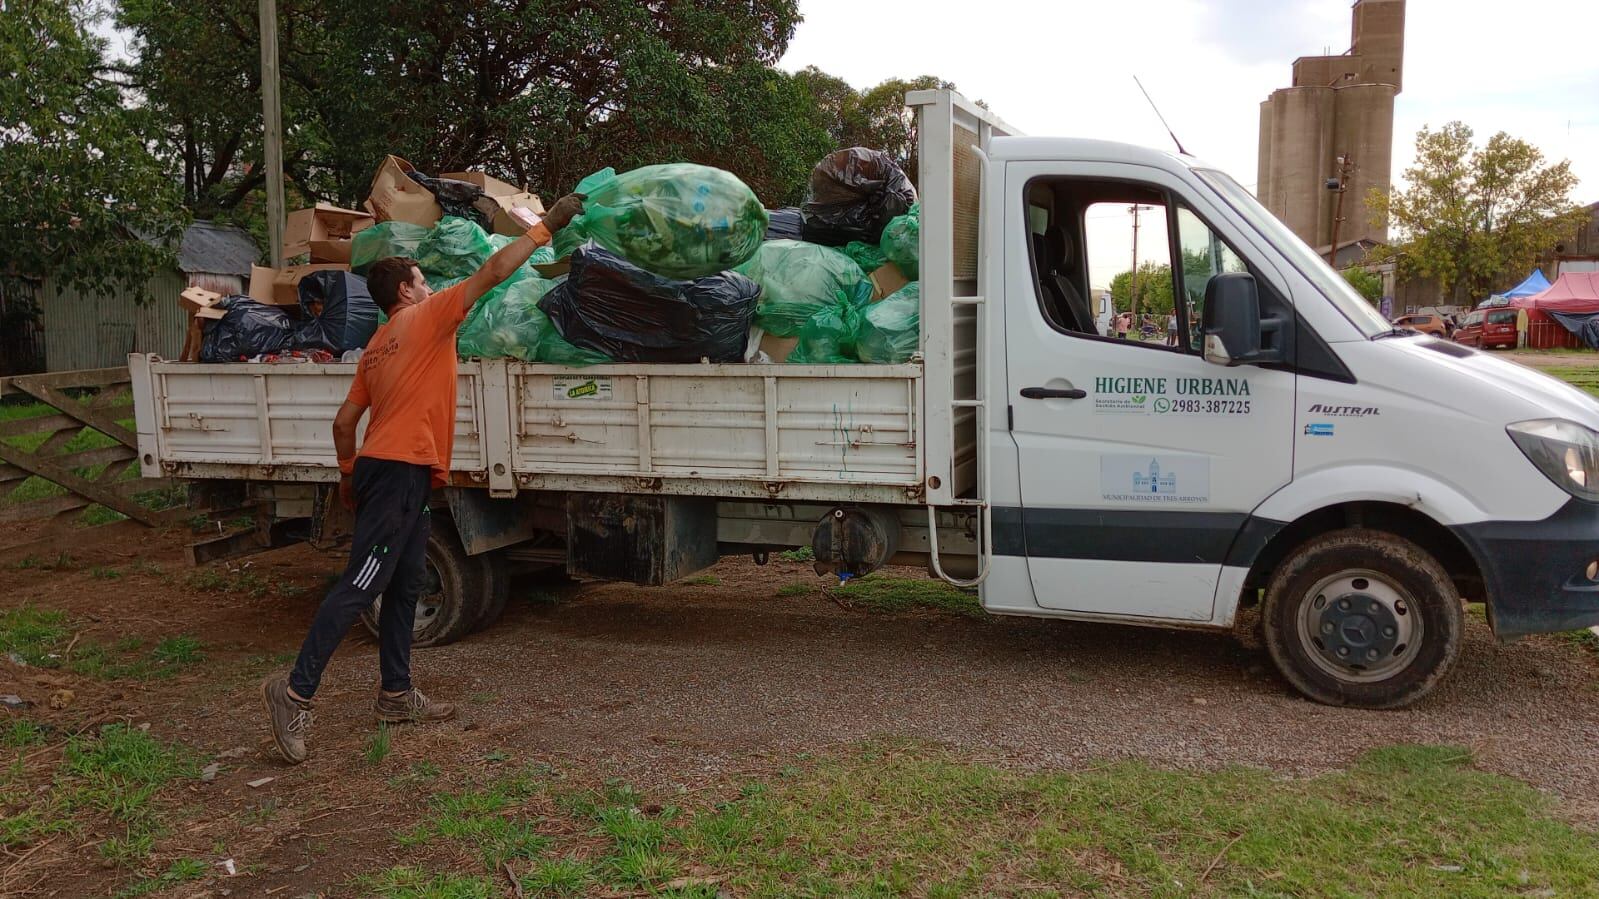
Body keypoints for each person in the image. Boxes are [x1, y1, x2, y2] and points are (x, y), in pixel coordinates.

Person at [260, 192, 587, 764]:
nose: (431, 288)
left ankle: (395, 694)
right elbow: (492, 272)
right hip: (397, 472)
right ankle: (293, 693)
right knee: (362, 583)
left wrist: (346, 475)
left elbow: (344, 423)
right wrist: (546, 227)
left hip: (390, 472)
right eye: (423, 281)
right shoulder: (426, 319)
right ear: (407, 292)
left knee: (406, 583)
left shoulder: (375, 347)